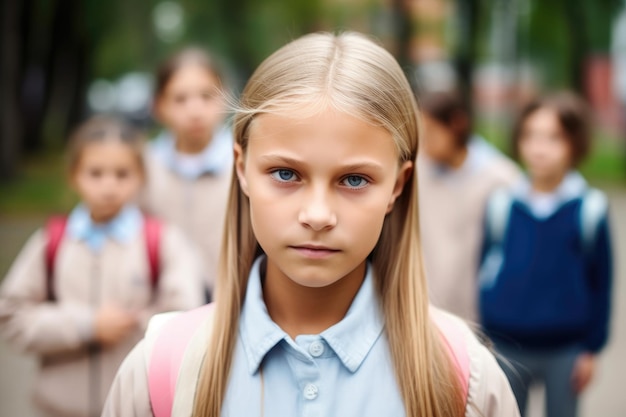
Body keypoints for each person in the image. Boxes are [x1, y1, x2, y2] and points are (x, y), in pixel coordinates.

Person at [103, 32, 520, 417]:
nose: (318, 215)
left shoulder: (464, 381)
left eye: (354, 180)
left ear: (398, 185)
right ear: (242, 168)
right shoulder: (163, 369)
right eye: (286, 174)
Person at [0, 116, 205, 417]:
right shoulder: (52, 240)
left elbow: (185, 315)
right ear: (74, 176)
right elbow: (11, 315)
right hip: (57, 409)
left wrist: (131, 325)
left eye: (122, 174)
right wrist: (87, 325)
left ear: (140, 177)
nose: (109, 185)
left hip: (136, 408)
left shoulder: (161, 241)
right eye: (95, 173)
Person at [478, 92, 613, 417]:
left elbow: (602, 284)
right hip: (507, 345)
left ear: (575, 144)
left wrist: (591, 349)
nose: (539, 148)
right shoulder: (502, 204)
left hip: (565, 349)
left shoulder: (589, 209)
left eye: (554, 137)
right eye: (530, 135)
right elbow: (485, 269)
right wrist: (486, 333)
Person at [417, 91, 520, 320]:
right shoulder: (415, 172)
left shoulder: (502, 179)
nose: (424, 144)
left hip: (479, 316)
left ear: (457, 124)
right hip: (424, 310)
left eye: (431, 133)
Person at [141, 47, 233, 301]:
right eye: (180, 99)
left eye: (206, 96)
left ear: (224, 99)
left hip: (232, 303)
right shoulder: (143, 169)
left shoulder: (244, 164)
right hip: (164, 308)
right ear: (159, 106)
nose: (195, 110)